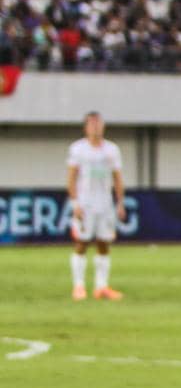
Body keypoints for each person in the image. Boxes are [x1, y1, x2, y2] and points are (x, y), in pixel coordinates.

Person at [66, 112, 126, 301]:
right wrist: (75, 203)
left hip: (105, 203)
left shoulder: (112, 150)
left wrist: (120, 202)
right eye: (92, 124)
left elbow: (117, 177)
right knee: (81, 243)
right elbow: (72, 178)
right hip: (85, 202)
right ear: (86, 127)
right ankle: (79, 286)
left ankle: (101, 287)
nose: (96, 127)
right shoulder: (78, 149)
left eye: (98, 124)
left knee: (104, 243)